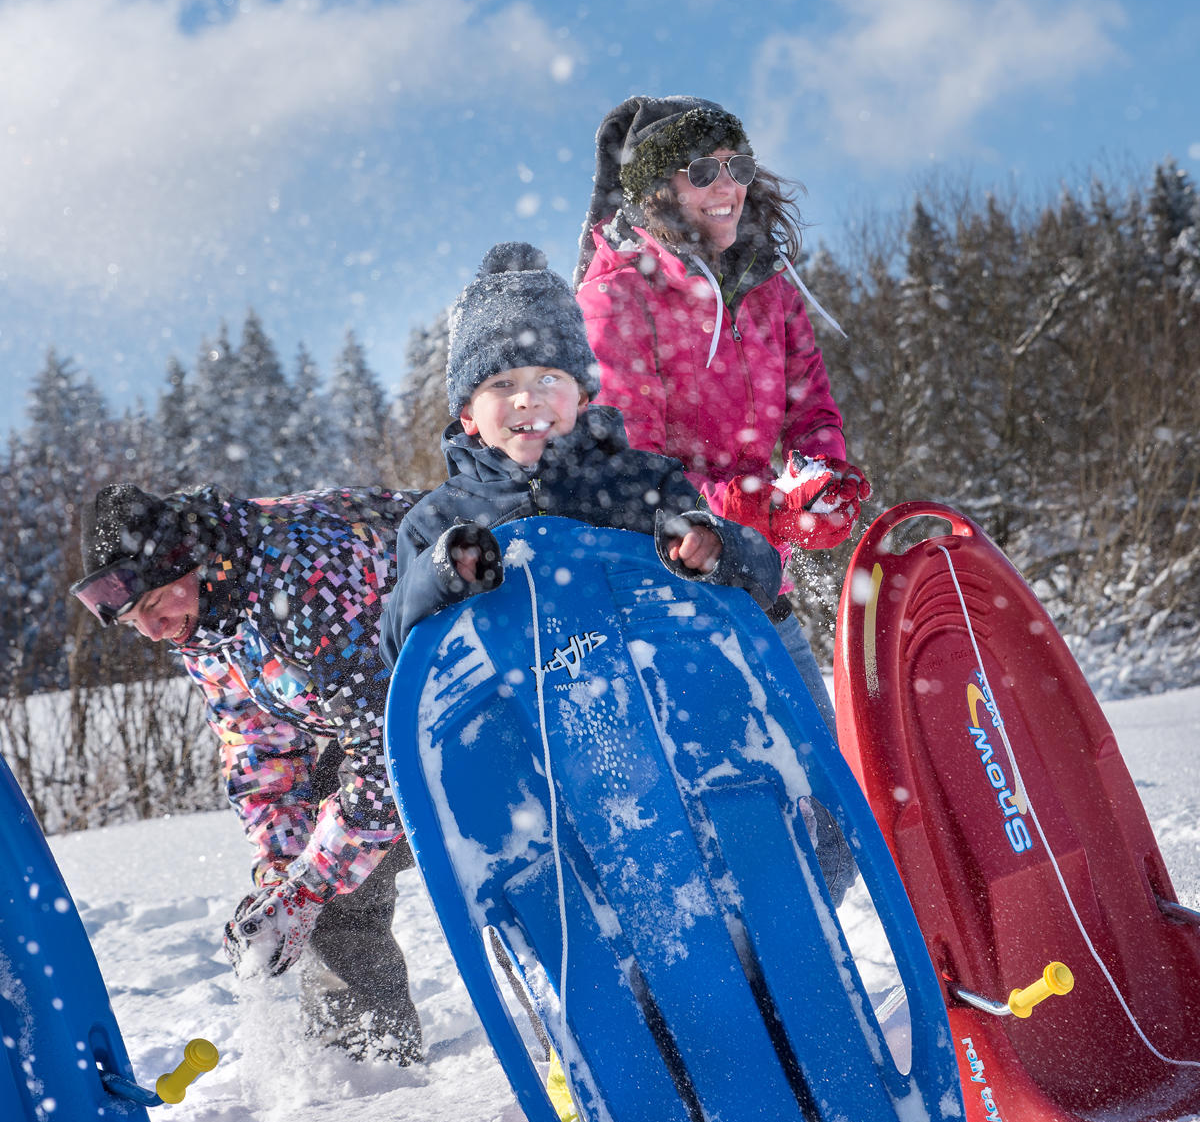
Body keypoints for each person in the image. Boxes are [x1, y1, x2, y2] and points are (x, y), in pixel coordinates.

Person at [70, 483, 425, 1064]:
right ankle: (363, 1064)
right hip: (384, 718)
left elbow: (385, 753)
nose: (154, 631)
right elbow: (258, 750)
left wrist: (309, 886)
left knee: (485, 853)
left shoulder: (301, 568)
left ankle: (584, 1031)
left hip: (491, 682)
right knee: (321, 887)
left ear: (190, 560)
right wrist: (282, 876)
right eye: (135, 621)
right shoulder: (205, 617)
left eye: (155, 604)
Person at [574, 95, 871, 739]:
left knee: (828, 804)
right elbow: (629, 469)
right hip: (663, 602)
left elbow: (812, 408)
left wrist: (820, 480)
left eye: (736, 165)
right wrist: (751, 508)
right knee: (734, 812)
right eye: (700, 172)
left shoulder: (771, 286)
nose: (727, 185)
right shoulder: (615, 297)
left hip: (759, 586)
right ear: (656, 189)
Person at [378, 241, 783, 665]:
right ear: (467, 416)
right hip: (518, 716)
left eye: (549, 378)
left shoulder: (643, 483)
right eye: (501, 384)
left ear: (584, 397)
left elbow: (764, 576)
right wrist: (442, 574)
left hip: (657, 693)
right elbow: (396, 651)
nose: (526, 399)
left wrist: (715, 548)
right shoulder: (436, 522)